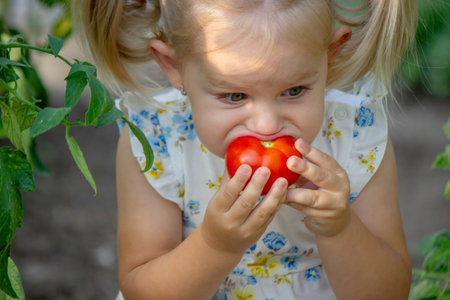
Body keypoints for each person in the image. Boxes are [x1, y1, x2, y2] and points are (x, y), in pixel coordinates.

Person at [74, 0, 416, 299]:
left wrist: (340, 228)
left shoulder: (355, 135)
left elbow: (389, 293)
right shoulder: (157, 140)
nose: (266, 126)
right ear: (174, 67)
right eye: (234, 96)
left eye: (294, 90)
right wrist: (214, 245)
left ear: (331, 56)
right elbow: (142, 292)